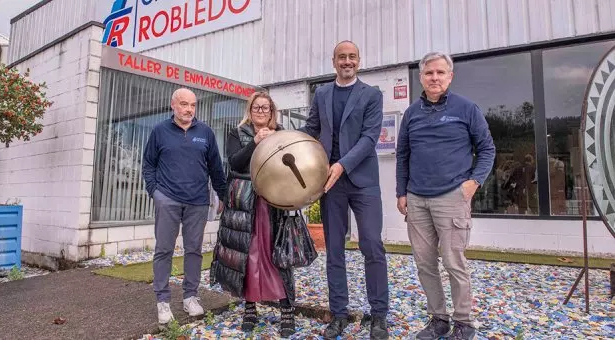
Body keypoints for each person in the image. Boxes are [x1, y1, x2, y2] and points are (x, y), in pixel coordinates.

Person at [396, 51, 496, 340]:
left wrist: (473, 183)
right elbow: (403, 155)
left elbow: (487, 150)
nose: (435, 78)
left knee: (454, 262)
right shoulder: (412, 113)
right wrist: (401, 192)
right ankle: (438, 319)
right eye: (429, 73)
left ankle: (464, 322)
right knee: (425, 264)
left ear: (450, 76)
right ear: (421, 78)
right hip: (417, 199)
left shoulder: (467, 109)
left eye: (440, 73)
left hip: (452, 197)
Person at [299, 40, 389, 339]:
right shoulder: (322, 93)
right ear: (333, 61)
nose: (347, 61)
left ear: (359, 61)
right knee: (334, 250)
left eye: (352, 57)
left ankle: (378, 315)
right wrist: (284, 142)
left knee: (372, 246)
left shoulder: (372, 94)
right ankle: (338, 314)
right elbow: (311, 130)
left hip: (363, 182)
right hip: (329, 184)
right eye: (341, 57)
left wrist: (341, 165)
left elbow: (369, 138)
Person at [210, 91, 297, 337]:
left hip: (274, 203)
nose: (261, 111)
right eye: (257, 108)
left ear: (272, 112)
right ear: (250, 110)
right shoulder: (236, 134)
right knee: (247, 254)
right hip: (244, 202)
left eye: (265, 108)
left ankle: (286, 308)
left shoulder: (282, 133)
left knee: (277, 254)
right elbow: (235, 163)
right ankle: (249, 307)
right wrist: (255, 142)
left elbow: (291, 164)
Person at [142, 87, 227, 325]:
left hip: (197, 202)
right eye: (183, 104)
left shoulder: (206, 133)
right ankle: (162, 300)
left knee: (194, 251)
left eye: (192, 105)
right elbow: (148, 164)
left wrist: (223, 196)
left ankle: (190, 297)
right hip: (167, 199)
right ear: (173, 105)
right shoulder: (160, 131)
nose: (189, 109)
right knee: (164, 250)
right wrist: (155, 193)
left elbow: (216, 168)